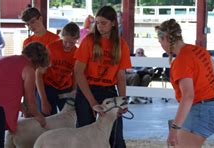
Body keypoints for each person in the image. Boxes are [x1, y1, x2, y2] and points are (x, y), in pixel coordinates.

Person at [155, 19, 214, 147]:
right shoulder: (199, 51)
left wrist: (175, 128)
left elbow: (188, 96)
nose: (161, 45)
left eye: (160, 41)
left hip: (202, 111)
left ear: (165, 38)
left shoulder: (181, 61)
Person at [74, 6, 131, 148]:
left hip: (109, 91)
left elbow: (121, 75)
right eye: (97, 23)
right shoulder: (88, 41)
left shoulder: (121, 44)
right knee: (84, 135)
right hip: (88, 89)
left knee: (116, 136)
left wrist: (122, 101)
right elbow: (78, 73)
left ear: (113, 23)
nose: (99, 26)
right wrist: (92, 102)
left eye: (103, 23)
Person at [20, 5, 60, 117]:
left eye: (32, 22)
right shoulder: (27, 41)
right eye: (27, 24)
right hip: (31, 84)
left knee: (47, 117)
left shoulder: (54, 39)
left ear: (40, 18)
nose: (30, 26)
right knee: (30, 117)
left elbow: (50, 65)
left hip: (49, 85)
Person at [37, 22, 79, 116]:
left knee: (68, 119)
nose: (68, 45)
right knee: (46, 118)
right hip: (48, 87)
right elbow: (38, 74)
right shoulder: (51, 48)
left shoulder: (77, 52)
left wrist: (73, 92)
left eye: (72, 42)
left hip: (65, 89)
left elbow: (76, 75)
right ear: (61, 36)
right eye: (65, 41)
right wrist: (43, 100)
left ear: (77, 40)